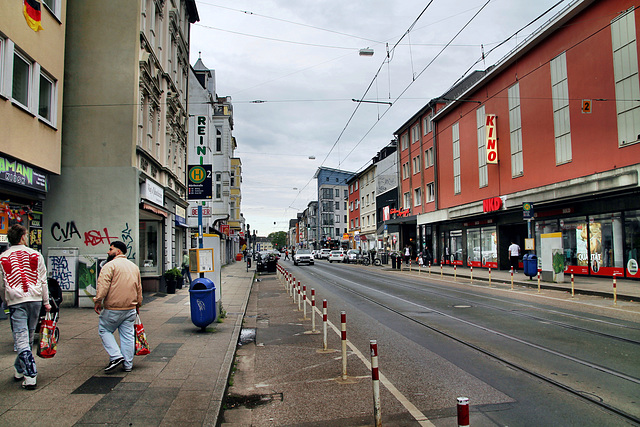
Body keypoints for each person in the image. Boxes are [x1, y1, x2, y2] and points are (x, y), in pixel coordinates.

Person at [0, 224, 50, 390]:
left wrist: (5, 299)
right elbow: (43, 280)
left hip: (16, 299)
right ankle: (19, 369)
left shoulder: (3, 257)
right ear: (22, 237)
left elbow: (1, 284)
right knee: (27, 336)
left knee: (21, 337)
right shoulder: (35, 254)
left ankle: (30, 374)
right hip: (34, 298)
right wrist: (46, 301)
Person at [94, 241, 143, 373]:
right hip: (130, 308)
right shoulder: (134, 267)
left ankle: (116, 355)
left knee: (104, 330)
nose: (108, 252)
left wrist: (98, 300)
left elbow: (103, 286)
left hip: (113, 308)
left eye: (111, 249)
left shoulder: (109, 266)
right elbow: (139, 288)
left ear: (118, 251)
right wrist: (138, 304)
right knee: (127, 335)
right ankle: (128, 364)